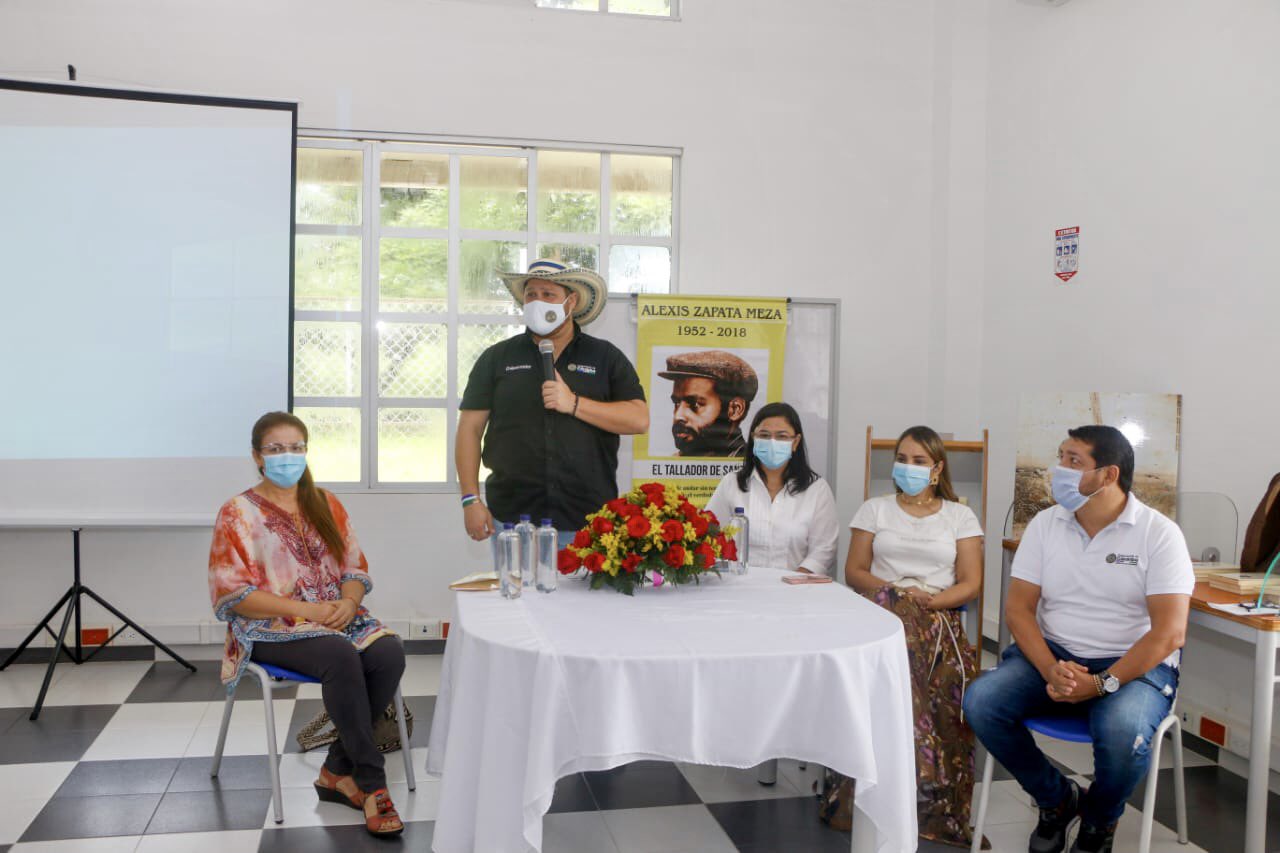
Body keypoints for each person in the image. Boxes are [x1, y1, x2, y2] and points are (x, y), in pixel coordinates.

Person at [963, 425, 1194, 853]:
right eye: (1061, 457)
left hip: (1132, 662)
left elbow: (1169, 633)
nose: (1060, 470)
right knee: (982, 701)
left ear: (1109, 474)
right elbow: (1018, 609)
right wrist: (1050, 666)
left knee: (1125, 735)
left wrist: (1102, 682)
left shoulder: (1158, 534)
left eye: (1074, 461)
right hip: (1056, 653)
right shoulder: (1045, 524)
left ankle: (1098, 823)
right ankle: (1057, 800)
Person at [208, 412, 406, 837]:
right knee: (340, 656)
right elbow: (233, 595)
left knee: (388, 652)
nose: (288, 456)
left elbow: (355, 568)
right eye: (276, 449)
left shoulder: (327, 502)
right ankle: (372, 782)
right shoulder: (237, 512)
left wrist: (350, 602)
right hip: (270, 628)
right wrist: (312, 613)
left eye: (296, 447)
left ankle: (336, 767)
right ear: (257, 457)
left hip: (337, 616)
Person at [843, 425, 984, 848]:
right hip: (881, 612)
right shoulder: (874, 509)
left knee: (914, 643)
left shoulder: (960, 515)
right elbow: (855, 572)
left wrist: (929, 603)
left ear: (937, 468)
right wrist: (899, 595)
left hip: (938, 620)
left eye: (919, 461)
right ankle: (918, 772)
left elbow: (970, 583)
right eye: (902, 459)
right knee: (899, 626)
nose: (908, 467)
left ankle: (919, 776)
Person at [457, 259, 648, 544]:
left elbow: (638, 419)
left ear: (570, 302)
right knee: (515, 590)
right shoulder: (497, 358)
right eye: (531, 294)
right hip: (512, 520)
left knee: (586, 591)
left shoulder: (605, 357)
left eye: (548, 294)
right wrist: (470, 499)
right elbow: (469, 430)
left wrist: (573, 403)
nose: (538, 301)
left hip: (588, 522)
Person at [704, 402, 838, 574]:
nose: (772, 442)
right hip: (738, 589)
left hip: (796, 590)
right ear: (753, 439)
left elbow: (824, 550)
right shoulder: (732, 483)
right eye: (764, 435)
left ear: (795, 442)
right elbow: (709, 535)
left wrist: (794, 583)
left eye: (782, 436)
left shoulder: (817, 489)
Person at [659, 349, 759, 456]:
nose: (678, 416)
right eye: (676, 403)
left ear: (735, 409)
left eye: (695, 405)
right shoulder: (676, 462)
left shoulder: (749, 464)